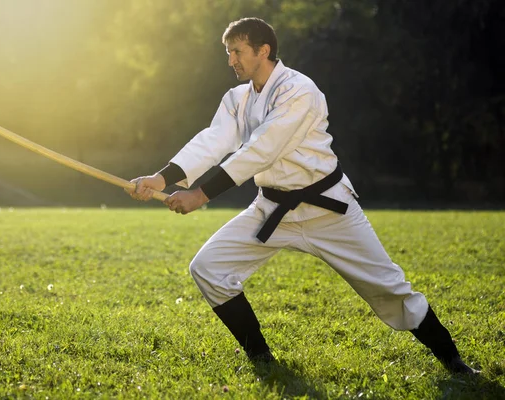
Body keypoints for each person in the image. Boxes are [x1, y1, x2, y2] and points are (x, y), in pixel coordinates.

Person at [125, 17, 478, 374]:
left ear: (264, 51)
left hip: (329, 210)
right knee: (208, 268)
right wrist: (161, 177)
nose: (231, 60)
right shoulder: (238, 98)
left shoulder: (299, 90)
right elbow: (213, 140)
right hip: (272, 209)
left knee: (389, 287)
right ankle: (261, 359)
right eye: (228, 52)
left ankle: (455, 362)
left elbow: (262, 150)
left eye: (237, 51)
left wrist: (201, 194)